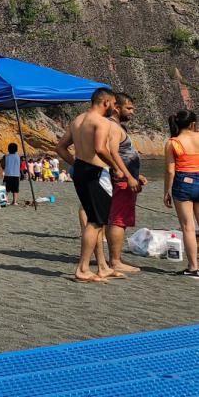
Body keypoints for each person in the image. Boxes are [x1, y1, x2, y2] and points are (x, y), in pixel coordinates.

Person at [55, 87, 123, 282]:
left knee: (97, 220)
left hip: (81, 172)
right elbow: (101, 149)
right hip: (96, 174)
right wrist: (115, 167)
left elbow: (60, 147)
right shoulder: (101, 121)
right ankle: (83, 268)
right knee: (95, 222)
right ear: (106, 102)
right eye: (113, 104)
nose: (114, 108)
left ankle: (102, 266)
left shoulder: (77, 120)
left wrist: (76, 163)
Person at [106, 93, 146, 274]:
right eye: (129, 108)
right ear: (117, 108)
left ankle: (116, 258)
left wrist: (136, 175)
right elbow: (113, 152)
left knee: (118, 219)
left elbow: (122, 155)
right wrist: (128, 177)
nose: (132, 112)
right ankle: (115, 261)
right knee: (118, 220)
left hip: (126, 178)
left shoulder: (116, 127)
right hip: (122, 182)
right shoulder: (114, 127)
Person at [164, 109, 199, 277]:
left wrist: (166, 191)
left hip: (183, 183)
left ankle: (193, 267)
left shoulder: (173, 142)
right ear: (193, 124)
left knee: (188, 227)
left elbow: (170, 171)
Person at [2, 143, 22, 207]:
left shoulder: (6, 156)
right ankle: (14, 201)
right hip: (16, 175)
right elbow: (20, 165)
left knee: (6, 189)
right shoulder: (18, 157)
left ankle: (6, 200)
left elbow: (2, 164)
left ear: (8, 149)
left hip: (7, 174)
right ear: (16, 149)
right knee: (15, 189)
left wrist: (4, 167)